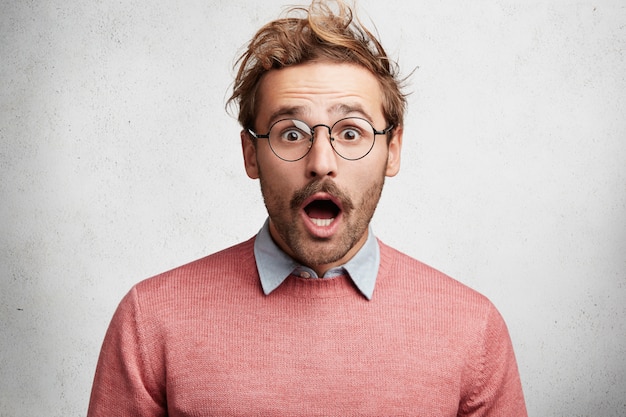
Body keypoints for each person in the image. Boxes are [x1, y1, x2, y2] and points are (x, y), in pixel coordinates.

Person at [87, 1, 527, 415]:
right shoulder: (151, 321)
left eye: (351, 132)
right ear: (251, 154)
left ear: (392, 150)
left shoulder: (472, 329)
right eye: (291, 133)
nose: (321, 163)